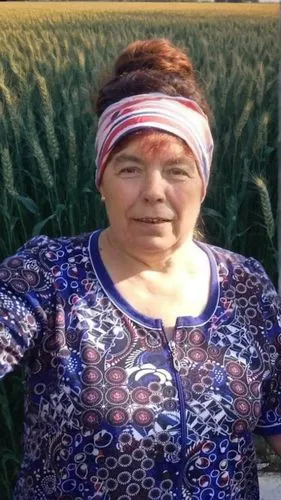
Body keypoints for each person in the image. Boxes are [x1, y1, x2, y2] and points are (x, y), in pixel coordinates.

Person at [0, 38, 281, 500]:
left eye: (177, 171)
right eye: (130, 169)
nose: (153, 191)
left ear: (203, 183)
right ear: (101, 181)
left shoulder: (246, 287)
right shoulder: (46, 276)